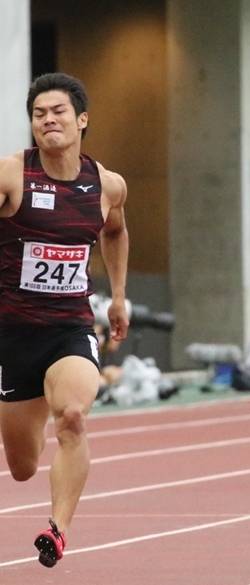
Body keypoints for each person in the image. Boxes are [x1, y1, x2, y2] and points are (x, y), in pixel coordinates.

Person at [0, 73, 129, 567]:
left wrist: (118, 296)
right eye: (39, 114)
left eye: (57, 112)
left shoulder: (106, 184)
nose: (48, 121)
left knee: (73, 416)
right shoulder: (13, 175)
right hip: (13, 333)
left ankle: (57, 530)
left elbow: (115, 232)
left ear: (81, 120)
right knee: (21, 466)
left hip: (71, 327)